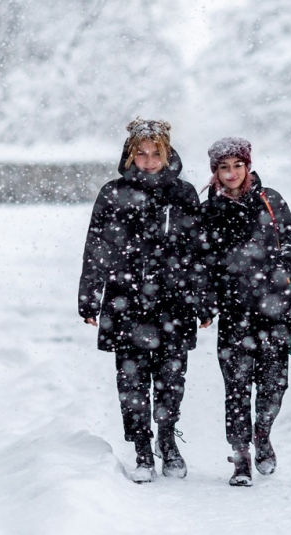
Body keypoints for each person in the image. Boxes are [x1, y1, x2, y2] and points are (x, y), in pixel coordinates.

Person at [79, 118, 202, 483]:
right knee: (131, 382)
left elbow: (199, 252)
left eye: (155, 154)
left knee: (170, 380)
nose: (148, 161)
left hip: (173, 301)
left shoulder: (183, 194)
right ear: (130, 154)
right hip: (126, 300)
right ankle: (142, 449)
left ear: (167, 154)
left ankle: (167, 438)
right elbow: (96, 248)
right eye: (141, 153)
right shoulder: (113, 194)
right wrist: (90, 296)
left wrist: (204, 300)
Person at [198, 137, 291, 487]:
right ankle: (240, 456)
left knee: (275, 385)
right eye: (224, 167)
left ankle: (263, 434)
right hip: (234, 312)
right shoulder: (208, 209)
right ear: (215, 171)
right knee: (237, 387)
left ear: (248, 166)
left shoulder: (269, 200)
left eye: (237, 166)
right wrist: (209, 298)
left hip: (273, 308)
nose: (231, 173)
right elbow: (202, 261)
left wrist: (281, 270)